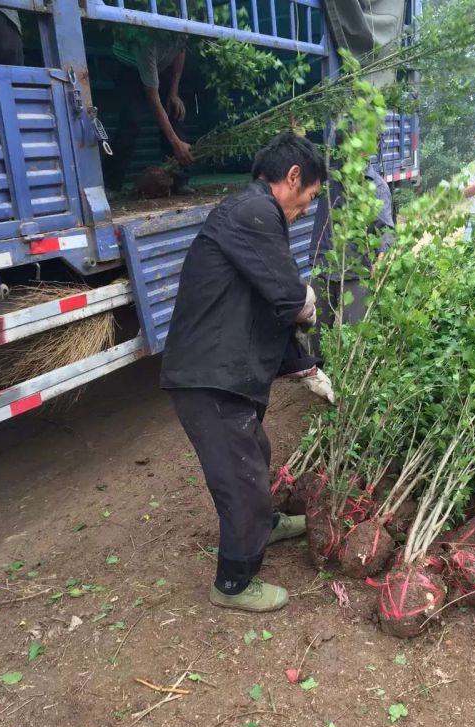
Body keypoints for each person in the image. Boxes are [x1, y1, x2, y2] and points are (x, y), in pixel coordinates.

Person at [160, 134, 327, 612]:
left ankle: (265, 526)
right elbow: (287, 299)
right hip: (207, 376)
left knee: (255, 449)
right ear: (293, 177)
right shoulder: (254, 213)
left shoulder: (253, 215)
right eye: (309, 198)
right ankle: (233, 583)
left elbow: (266, 304)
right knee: (241, 476)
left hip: (222, 370)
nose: (304, 210)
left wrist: (307, 367)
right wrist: (307, 306)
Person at [309, 155, 395, 358]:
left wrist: (381, 259)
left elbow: (386, 230)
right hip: (324, 263)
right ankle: (319, 371)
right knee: (315, 328)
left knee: (354, 332)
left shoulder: (375, 185)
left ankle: (349, 379)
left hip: (356, 268)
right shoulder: (327, 177)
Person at [103, 29, 193, 195]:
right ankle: (111, 184)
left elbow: (180, 52)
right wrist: (175, 143)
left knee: (174, 111)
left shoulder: (180, 30)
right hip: (129, 66)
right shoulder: (147, 42)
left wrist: (174, 93)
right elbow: (153, 99)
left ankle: (179, 181)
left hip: (160, 65)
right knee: (132, 120)